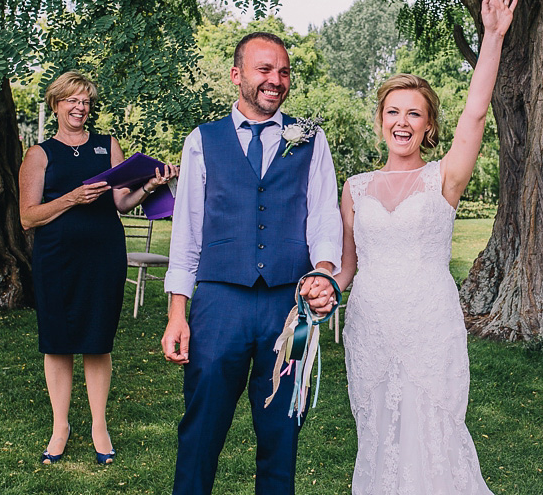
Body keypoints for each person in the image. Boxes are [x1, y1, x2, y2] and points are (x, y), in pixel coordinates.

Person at [336, 0, 518, 494]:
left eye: (413, 113)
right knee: (377, 431)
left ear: (428, 126)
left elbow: (476, 115)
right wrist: (322, 287)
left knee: (432, 428)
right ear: (380, 121)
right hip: (370, 323)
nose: (402, 121)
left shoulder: (444, 178)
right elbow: (347, 267)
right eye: (393, 111)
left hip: (428, 323)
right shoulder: (354, 187)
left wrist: (493, 37)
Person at [161, 32, 342, 495]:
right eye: (264, 70)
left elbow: (323, 216)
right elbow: (187, 232)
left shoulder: (311, 139)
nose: (275, 80)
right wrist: (177, 314)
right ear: (237, 75)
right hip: (219, 304)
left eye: (283, 72)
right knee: (201, 430)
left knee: (282, 434)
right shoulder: (202, 141)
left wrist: (322, 271)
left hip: (287, 304)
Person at [19, 71, 177, 466]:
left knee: (97, 339)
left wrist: (151, 187)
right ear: (56, 104)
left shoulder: (108, 146)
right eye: (72, 100)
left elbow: (122, 203)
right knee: (57, 341)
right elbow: (28, 218)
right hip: (56, 258)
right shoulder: (39, 154)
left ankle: (98, 425)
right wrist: (71, 198)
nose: (80, 107)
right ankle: (60, 427)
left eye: (86, 101)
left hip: (103, 253)